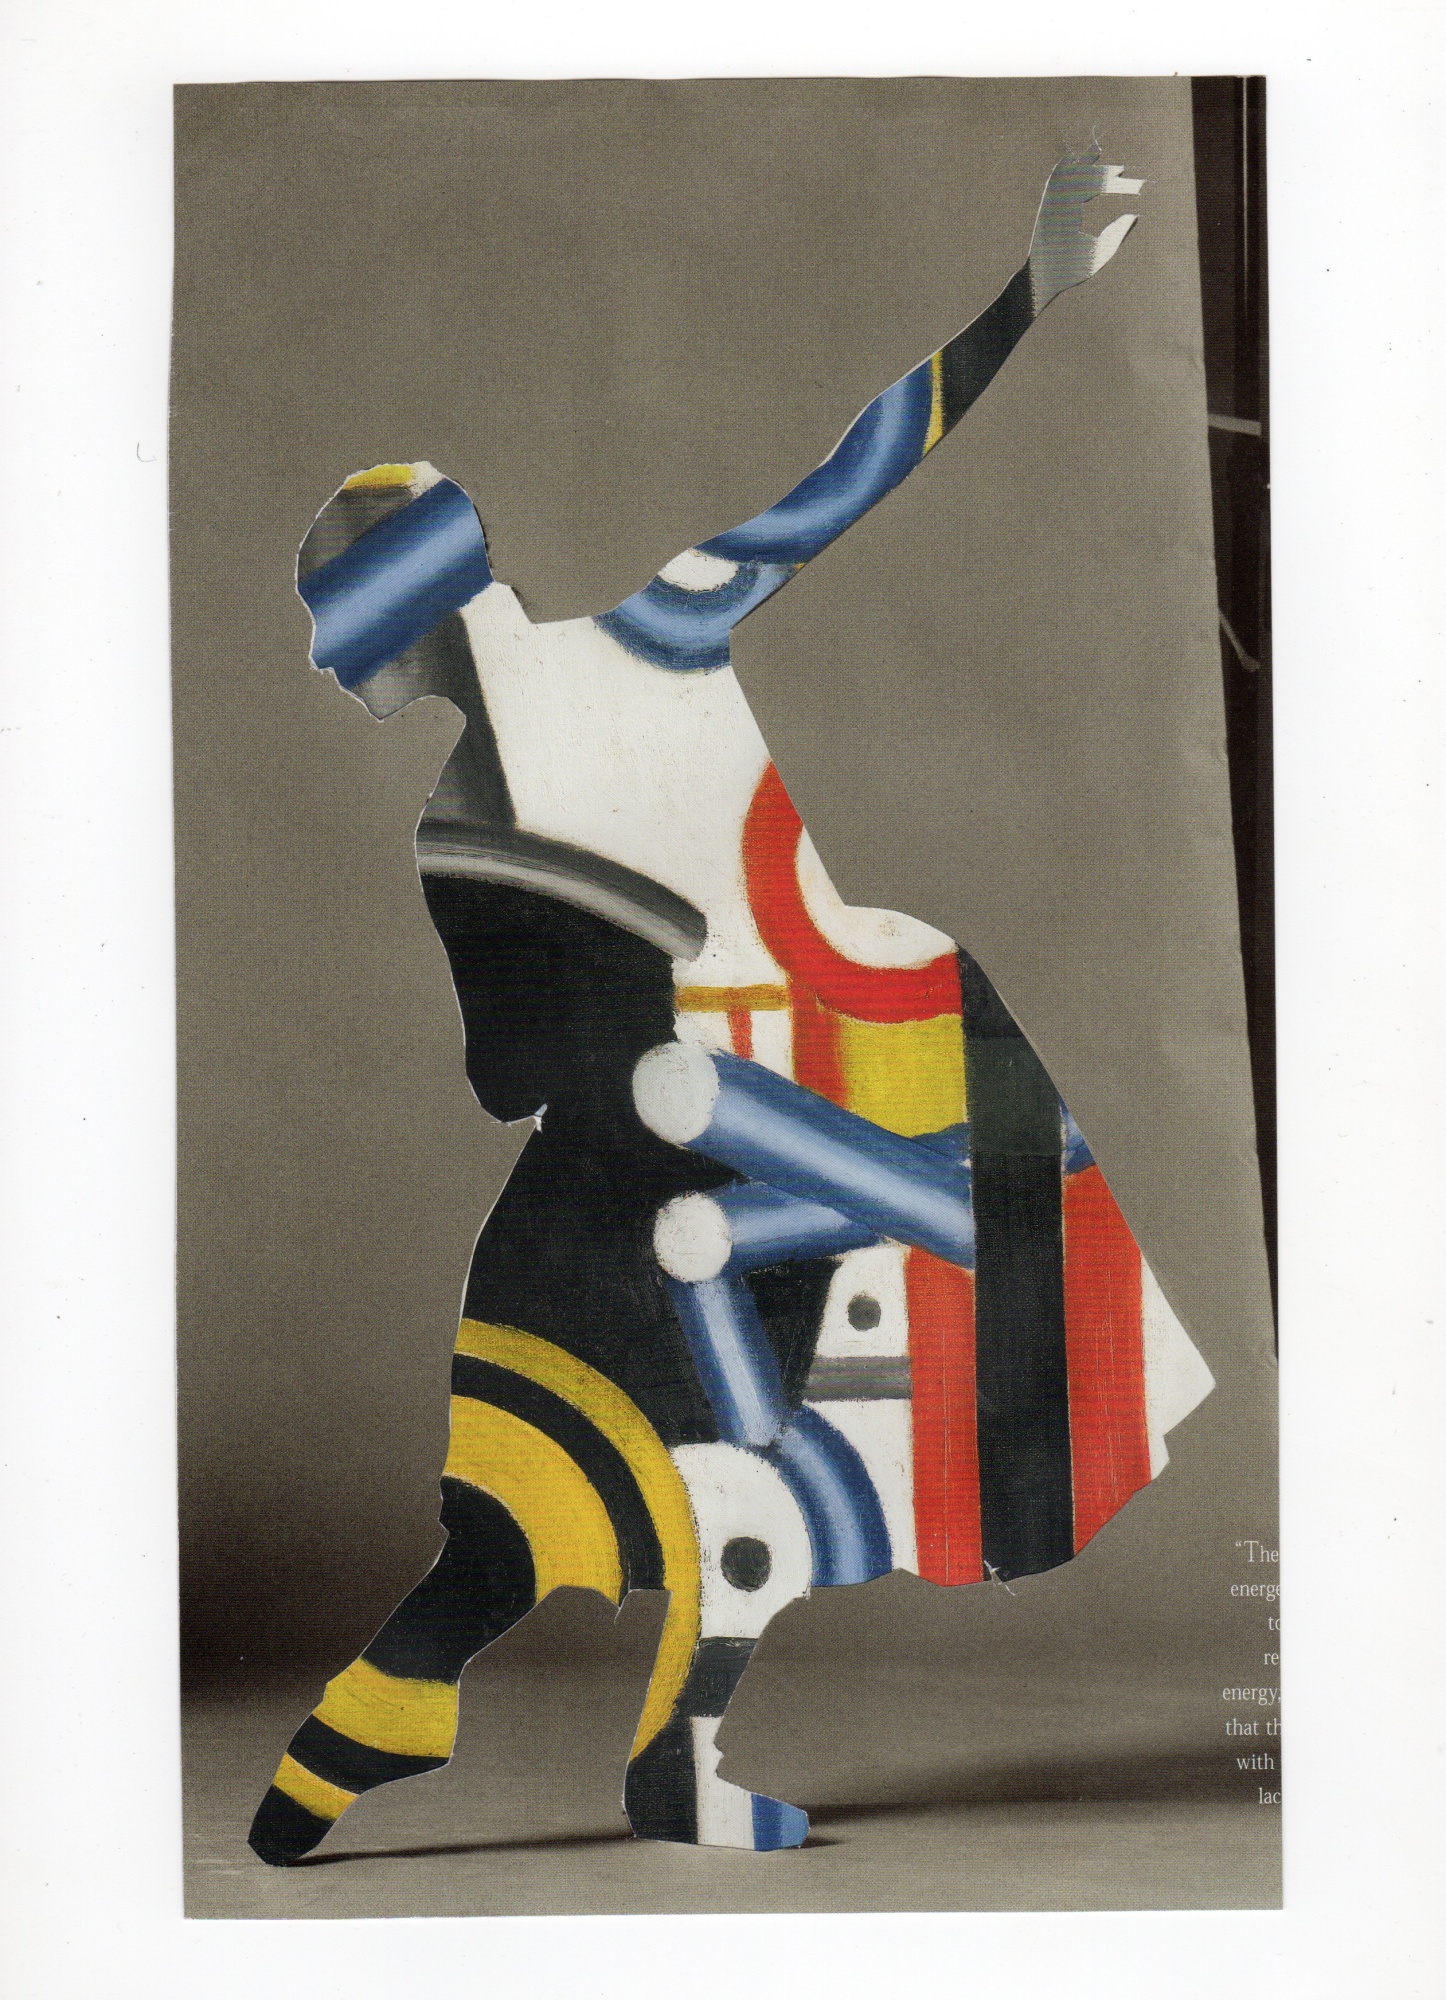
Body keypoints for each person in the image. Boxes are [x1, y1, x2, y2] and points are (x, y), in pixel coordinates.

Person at [248, 146, 1212, 1866]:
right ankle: (571, 1747)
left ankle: (373, 1737)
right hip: (778, 1106)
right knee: (699, 1450)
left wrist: (1028, 293)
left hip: (741, 1118)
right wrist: (1033, 292)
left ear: (394, 618)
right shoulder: (652, 638)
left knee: (578, 1484)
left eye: (341, 629)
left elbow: (501, 1074)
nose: (336, 669)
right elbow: (844, 478)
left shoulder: (462, 820)